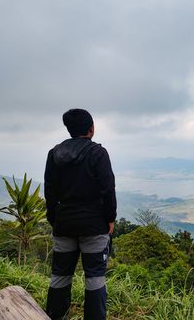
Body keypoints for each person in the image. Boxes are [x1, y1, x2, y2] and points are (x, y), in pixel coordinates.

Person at [44, 109, 116, 320]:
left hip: (64, 223)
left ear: (69, 129)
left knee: (60, 277)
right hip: (94, 225)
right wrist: (110, 218)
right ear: (91, 129)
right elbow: (108, 189)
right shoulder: (98, 153)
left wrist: (54, 219)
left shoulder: (54, 154)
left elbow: (50, 191)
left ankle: (56, 316)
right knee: (94, 279)